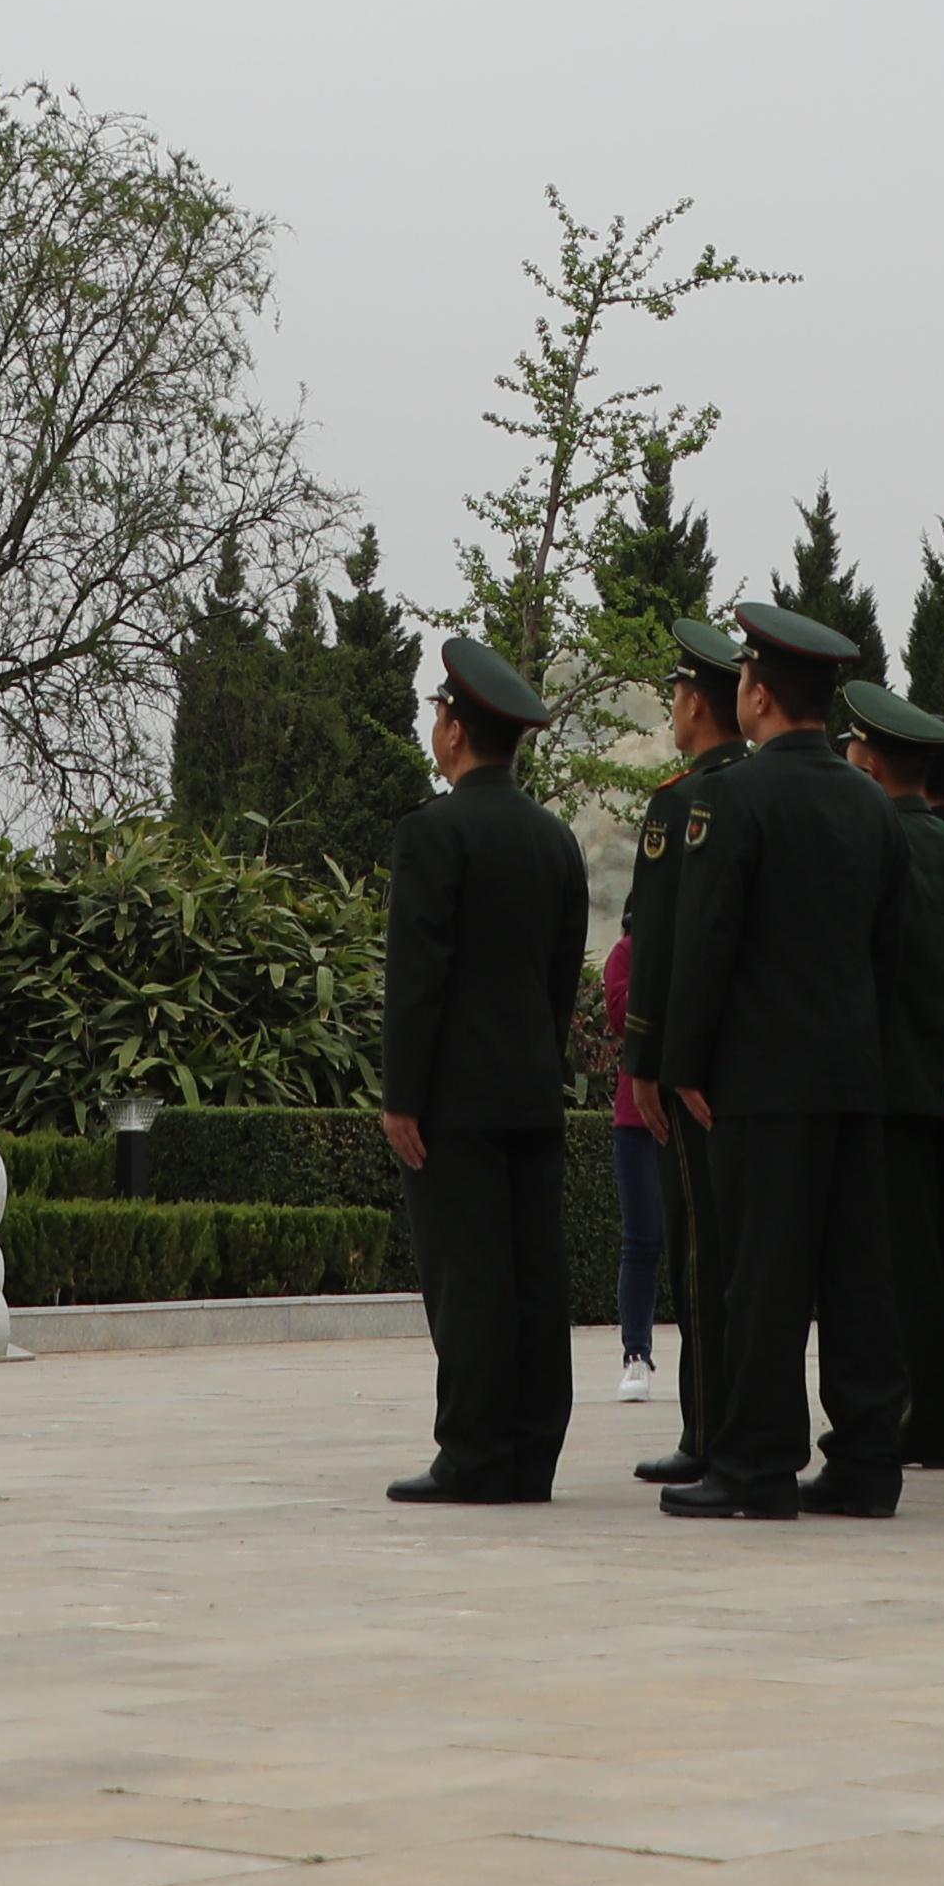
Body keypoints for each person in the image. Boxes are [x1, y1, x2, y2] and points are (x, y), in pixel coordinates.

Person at [657, 604, 911, 1518]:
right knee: (856, 1276)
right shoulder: (869, 804)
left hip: (761, 1078)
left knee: (761, 1274)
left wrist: (683, 1061)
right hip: (850, 1069)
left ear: (757, 694)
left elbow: (707, 941)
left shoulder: (733, 799)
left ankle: (757, 1463)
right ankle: (868, 1461)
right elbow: (887, 947)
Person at [381, 635, 590, 1504]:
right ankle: (532, 1452)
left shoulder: (434, 835)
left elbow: (417, 980)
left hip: (457, 1101)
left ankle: (472, 1453)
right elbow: (558, 977)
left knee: (468, 1279)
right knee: (534, 1277)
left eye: (438, 713)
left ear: (457, 732)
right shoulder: (554, 840)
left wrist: (403, 1097)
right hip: (530, 1091)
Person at [840, 667, 944, 1472]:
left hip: (892, 1087)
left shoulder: (872, 847)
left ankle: (923, 1419)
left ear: (871, 761)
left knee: (907, 1270)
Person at [622, 621, 754, 1486]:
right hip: (758, 1065)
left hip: (698, 1067)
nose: (673, 709)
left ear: (695, 704)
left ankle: (709, 1432)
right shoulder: (757, 787)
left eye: (675, 695)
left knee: (701, 1256)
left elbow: (657, 946)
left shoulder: (682, 802)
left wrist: (647, 1061)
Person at [601, 926, 670, 1406]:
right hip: (637, 1117)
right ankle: (636, 1354)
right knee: (642, 1241)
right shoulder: (627, 953)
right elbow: (622, 1016)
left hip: (697, 1109)